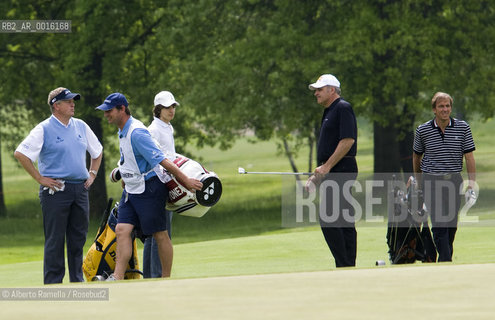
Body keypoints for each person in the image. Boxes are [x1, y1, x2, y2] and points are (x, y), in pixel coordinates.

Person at [96, 92, 202, 280]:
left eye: (109, 111)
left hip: (150, 188)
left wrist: (185, 180)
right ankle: (117, 277)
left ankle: (165, 278)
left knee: (159, 234)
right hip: (131, 189)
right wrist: (125, 175)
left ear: (122, 109)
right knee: (122, 230)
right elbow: (129, 158)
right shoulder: (122, 130)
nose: (106, 115)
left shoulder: (137, 132)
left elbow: (161, 159)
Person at [14, 87, 103, 284]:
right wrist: (40, 178)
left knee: (77, 238)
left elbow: (97, 151)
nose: (73, 104)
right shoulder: (43, 128)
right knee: (55, 240)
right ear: (56, 106)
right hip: (55, 190)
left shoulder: (80, 125)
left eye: (73, 100)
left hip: (80, 189)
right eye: (68, 101)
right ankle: (53, 284)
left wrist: (93, 173)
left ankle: (76, 281)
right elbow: (21, 153)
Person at [413, 92, 476, 262]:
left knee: (451, 226)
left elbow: (469, 157)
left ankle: (444, 257)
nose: (445, 109)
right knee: (440, 224)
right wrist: (418, 183)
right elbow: (416, 157)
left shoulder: (463, 128)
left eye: (447, 106)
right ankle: (446, 261)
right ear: (434, 109)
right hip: (431, 181)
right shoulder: (423, 130)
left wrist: (471, 185)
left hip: (454, 181)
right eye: (441, 106)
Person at [306, 74, 358, 268]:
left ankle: (344, 264)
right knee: (341, 218)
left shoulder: (343, 108)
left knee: (331, 217)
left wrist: (327, 167)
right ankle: (346, 264)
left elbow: (347, 140)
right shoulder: (330, 111)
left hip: (342, 169)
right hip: (334, 171)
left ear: (332, 90)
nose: (316, 93)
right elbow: (328, 149)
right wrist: (316, 177)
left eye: (320, 89)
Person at [142, 90, 180, 278]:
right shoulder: (153, 130)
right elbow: (154, 159)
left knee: (156, 233)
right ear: (158, 109)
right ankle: (155, 275)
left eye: (173, 106)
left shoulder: (168, 127)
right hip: (158, 184)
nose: (171, 110)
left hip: (168, 182)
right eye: (167, 107)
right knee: (161, 233)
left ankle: (150, 275)